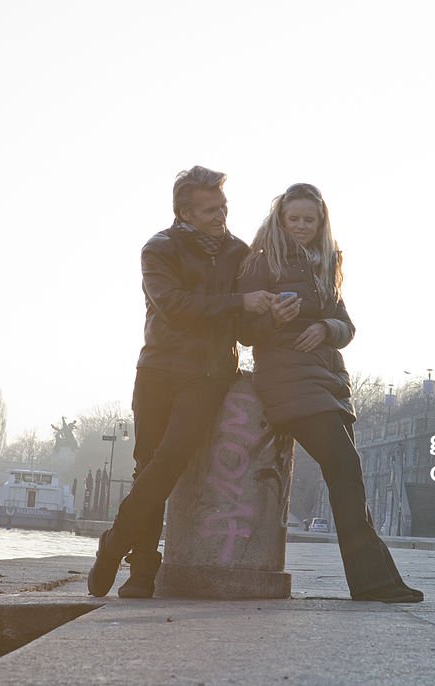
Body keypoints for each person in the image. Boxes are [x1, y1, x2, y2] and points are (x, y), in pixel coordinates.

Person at [88, 166, 277, 598]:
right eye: (210, 209)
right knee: (147, 465)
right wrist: (239, 302)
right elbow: (173, 306)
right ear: (184, 212)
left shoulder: (240, 253)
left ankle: (115, 542)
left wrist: (265, 313)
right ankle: (142, 574)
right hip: (157, 369)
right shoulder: (158, 249)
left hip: (209, 374)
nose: (220, 216)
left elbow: (245, 330)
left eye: (223, 207)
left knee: (170, 459)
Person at [236, 183, 423, 603]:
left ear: (321, 222)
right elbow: (244, 331)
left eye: (309, 219)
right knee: (344, 467)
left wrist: (324, 328)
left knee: (348, 475)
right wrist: (273, 320)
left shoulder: (327, 265)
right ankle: (373, 582)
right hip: (288, 379)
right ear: (279, 219)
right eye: (293, 218)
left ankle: (377, 580)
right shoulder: (262, 262)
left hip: (328, 381)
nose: (301, 226)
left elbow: (346, 325)